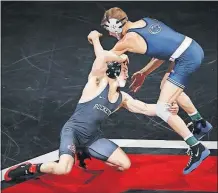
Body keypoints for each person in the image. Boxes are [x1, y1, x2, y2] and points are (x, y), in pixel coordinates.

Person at [4, 42, 179, 182]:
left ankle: (82, 151)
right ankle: (30, 168)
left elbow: (146, 109)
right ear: (115, 72)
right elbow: (102, 58)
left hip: (92, 138)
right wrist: (109, 48)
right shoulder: (96, 84)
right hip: (72, 132)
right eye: (125, 72)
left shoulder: (122, 99)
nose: (127, 75)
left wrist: (166, 108)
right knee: (63, 169)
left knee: (124, 165)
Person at [88, 7, 212, 175]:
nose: (110, 35)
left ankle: (197, 148)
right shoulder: (146, 21)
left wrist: (95, 39)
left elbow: (102, 60)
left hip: (186, 59)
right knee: (165, 86)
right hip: (191, 47)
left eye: (108, 30)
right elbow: (164, 53)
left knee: (162, 107)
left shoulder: (127, 40)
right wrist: (144, 73)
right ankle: (200, 123)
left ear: (114, 27)